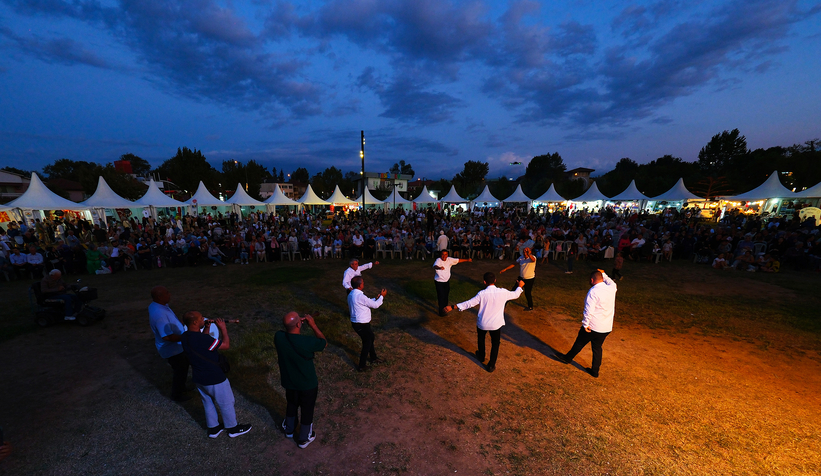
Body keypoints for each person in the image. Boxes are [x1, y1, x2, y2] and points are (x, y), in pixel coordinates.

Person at [181, 311, 251, 438]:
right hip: (214, 377)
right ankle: (233, 428)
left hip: (198, 377)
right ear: (196, 322)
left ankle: (213, 428)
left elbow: (203, 344)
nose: (205, 319)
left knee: (207, 402)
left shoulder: (185, 336)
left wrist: (206, 327)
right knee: (226, 402)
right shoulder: (204, 339)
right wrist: (223, 329)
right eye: (202, 318)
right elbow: (225, 345)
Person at [444, 272, 523, 372]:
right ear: (495, 280)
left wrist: (452, 307)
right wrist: (520, 286)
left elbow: (469, 303)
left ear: (484, 282)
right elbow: (516, 295)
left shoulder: (482, 294)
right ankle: (491, 365)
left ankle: (481, 356)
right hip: (496, 325)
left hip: (483, 324)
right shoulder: (503, 292)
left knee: (481, 339)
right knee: (495, 344)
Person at [274, 312, 327, 448]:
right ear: (299, 323)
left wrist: (295, 323)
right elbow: (323, 343)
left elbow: (286, 331)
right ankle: (304, 438)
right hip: (307, 383)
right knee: (307, 409)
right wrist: (313, 325)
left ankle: (289, 429)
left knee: (292, 404)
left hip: (289, 382)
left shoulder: (279, 337)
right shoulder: (307, 342)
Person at [557, 269, 617, 378]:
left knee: (579, 343)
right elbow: (612, 282)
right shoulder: (611, 288)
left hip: (593, 326)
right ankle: (595, 371)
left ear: (592, 280)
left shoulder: (593, 291)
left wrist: (585, 324)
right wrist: (604, 274)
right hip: (606, 327)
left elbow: (588, 310)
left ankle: (567, 358)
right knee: (597, 348)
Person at [148, 286, 191, 401]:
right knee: (180, 371)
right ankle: (177, 395)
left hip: (176, 347)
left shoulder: (158, 305)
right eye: (167, 293)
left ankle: (182, 388)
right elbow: (167, 336)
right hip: (172, 350)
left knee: (183, 368)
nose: (170, 294)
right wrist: (185, 338)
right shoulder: (159, 314)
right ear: (159, 297)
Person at [347, 276, 387, 372]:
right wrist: (382, 296)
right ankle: (362, 365)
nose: (364, 284)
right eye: (363, 282)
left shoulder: (352, 294)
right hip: (361, 324)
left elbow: (365, 302)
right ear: (360, 285)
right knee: (367, 342)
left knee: (370, 338)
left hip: (360, 323)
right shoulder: (360, 296)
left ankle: (373, 358)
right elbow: (375, 305)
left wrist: (375, 298)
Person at [433, 250, 471, 316]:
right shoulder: (438, 260)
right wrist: (439, 267)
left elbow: (458, 260)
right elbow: (435, 266)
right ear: (440, 255)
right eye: (443, 254)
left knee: (446, 296)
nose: (444, 256)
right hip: (439, 282)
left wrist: (467, 260)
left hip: (446, 282)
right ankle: (441, 311)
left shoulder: (449, 260)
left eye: (446, 254)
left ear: (447, 255)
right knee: (441, 296)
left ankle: (445, 309)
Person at [500, 246, 536, 310]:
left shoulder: (532, 258)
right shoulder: (521, 258)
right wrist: (505, 269)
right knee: (513, 290)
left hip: (529, 278)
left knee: (527, 292)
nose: (525, 252)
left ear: (530, 252)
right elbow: (514, 263)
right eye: (524, 251)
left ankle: (530, 306)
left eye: (527, 251)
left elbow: (533, 260)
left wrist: (528, 254)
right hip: (521, 277)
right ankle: (505, 303)